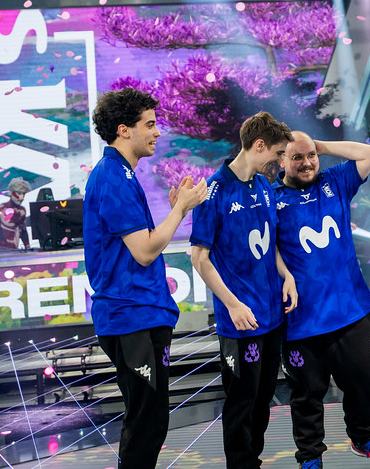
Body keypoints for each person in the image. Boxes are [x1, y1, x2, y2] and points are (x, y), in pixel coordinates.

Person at [83, 87, 208, 469]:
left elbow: (141, 245)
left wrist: (175, 210)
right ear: (124, 130)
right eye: (150, 124)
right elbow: (145, 250)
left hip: (140, 312)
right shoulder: (113, 177)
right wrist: (181, 210)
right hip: (130, 314)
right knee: (146, 422)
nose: (157, 132)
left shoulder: (120, 173)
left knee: (151, 420)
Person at [274, 131, 370, 469]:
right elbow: (268, 249)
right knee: (306, 395)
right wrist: (285, 275)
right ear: (281, 160)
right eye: (297, 157)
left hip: (351, 309)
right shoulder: (271, 198)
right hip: (302, 319)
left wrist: (321, 147)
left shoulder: (335, 181)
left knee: (364, 380)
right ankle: (310, 457)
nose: (306, 163)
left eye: (310, 156)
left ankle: (364, 437)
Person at [189, 111, 299, 469]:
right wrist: (233, 304)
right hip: (240, 322)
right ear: (259, 145)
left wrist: (286, 274)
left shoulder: (265, 187)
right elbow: (199, 258)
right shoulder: (213, 191)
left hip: (272, 316)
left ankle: (253, 461)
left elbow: (270, 245)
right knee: (241, 401)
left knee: (264, 397)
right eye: (278, 154)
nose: (280, 162)